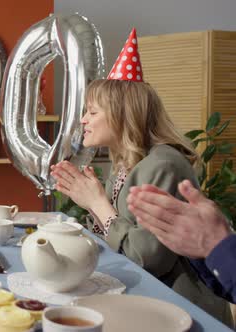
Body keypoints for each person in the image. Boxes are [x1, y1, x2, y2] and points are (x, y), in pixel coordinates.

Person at [50, 28, 233, 325]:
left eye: (92, 112)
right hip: (149, 300)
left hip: (182, 313)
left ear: (122, 114)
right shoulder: (126, 164)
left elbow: (148, 259)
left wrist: (97, 204)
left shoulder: (162, 164)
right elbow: (119, 237)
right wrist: (89, 202)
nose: (83, 120)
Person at [127, 180, 235, 303]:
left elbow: (143, 256)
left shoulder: (165, 166)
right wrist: (202, 248)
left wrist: (215, 244)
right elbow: (227, 288)